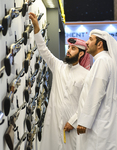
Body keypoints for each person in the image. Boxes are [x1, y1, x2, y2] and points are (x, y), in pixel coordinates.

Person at [29, 12, 89, 150]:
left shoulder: (86, 75)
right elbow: (43, 50)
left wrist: (73, 121)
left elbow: (86, 103)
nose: (69, 51)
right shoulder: (58, 66)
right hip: (53, 122)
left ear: (81, 54)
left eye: (73, 49)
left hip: (71, 127)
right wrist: (36, 27)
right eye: (69, 47)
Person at [76, 29, 117, 150]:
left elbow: (96, 93)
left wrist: (84, 121)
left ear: (99, 44)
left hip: (99, 125)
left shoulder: (102, 61)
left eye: (90, 39)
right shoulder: (106, 61)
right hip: (103, 122)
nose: (86, 42)